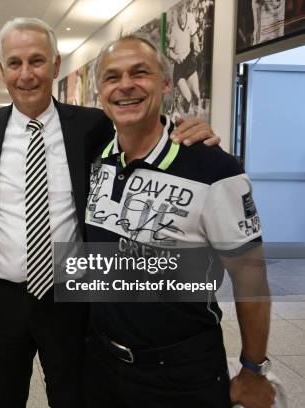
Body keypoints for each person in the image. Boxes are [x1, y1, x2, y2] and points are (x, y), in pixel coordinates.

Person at [0, 17, 219, 408]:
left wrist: (188, 129)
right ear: (2, 70)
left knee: (74, 395)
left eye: (37, 61)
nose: (27, 74)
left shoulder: (92, 126)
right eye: (15, 63)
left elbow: (141, 129)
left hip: (73, 294)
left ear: (56, 65)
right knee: (2, 397)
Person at [83, 34, 275, 408]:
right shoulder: (93, 157)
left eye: (140, 73)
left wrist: (253, 369)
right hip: (101, 363)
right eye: (112, 77)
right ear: (99, 91)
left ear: (165, 83)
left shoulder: (214, 168)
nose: (125, 85)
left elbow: (251, 277)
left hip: (181, 373)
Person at [167, 4, 202, 117]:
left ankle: (196, 121)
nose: (182, 17)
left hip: (189, 61)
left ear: (185, 11)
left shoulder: (191, 18)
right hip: (180, 66)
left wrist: (196, 44)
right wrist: (176, 57)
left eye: (183, 13)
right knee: (188, 97)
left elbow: (194, 36)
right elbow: (169, 51)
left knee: (197, 94)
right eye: (179, 14)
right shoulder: (174, 29)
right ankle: (180, 114)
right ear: (176, 13)